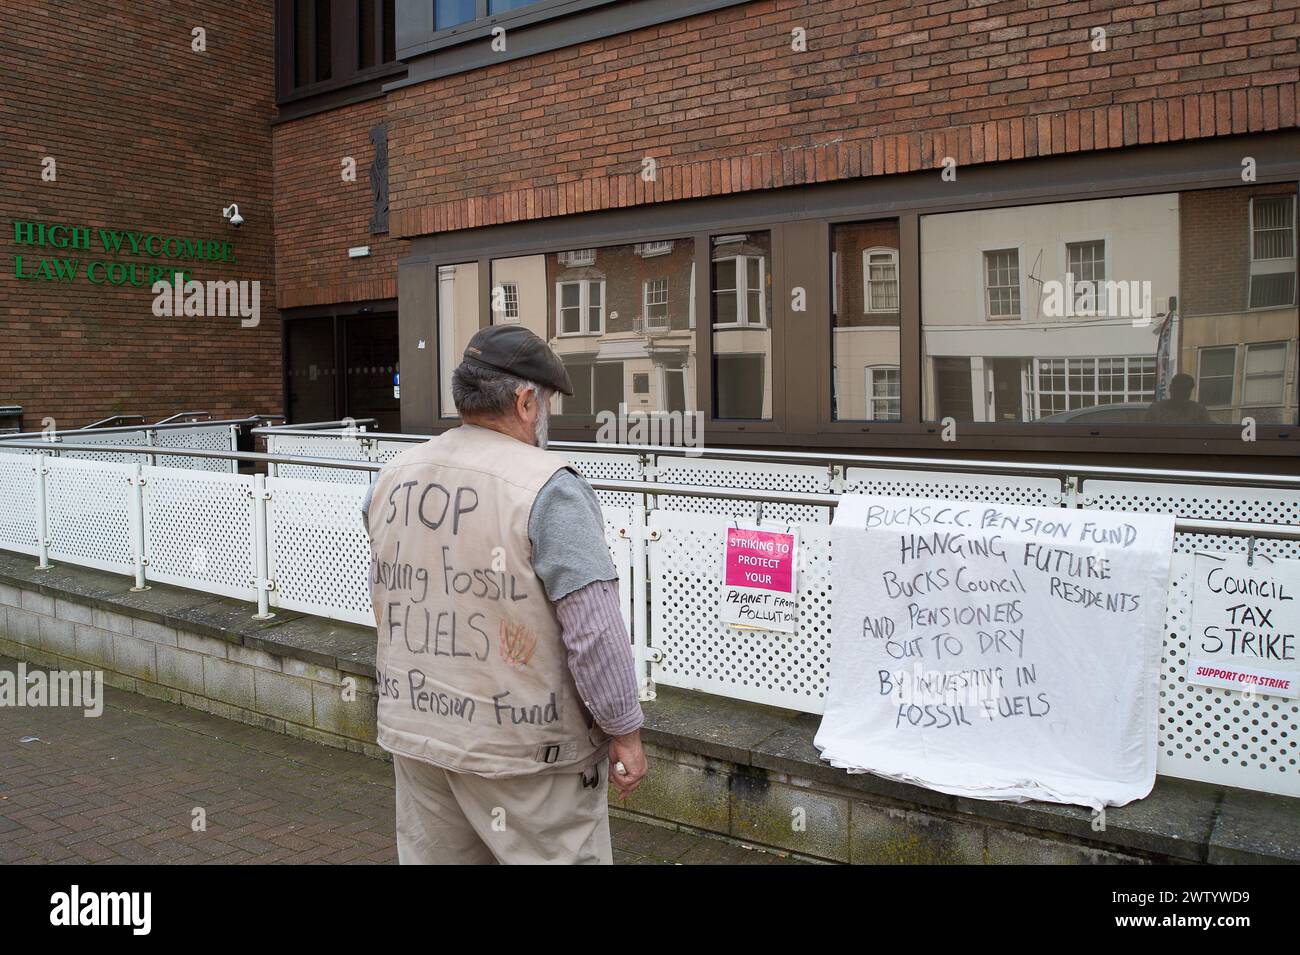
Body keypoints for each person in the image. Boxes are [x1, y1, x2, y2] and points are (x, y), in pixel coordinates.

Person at [364, 324, 647, 864]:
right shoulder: (549, 486)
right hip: (527, 755)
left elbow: (392, 592)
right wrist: (624, 731)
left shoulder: (394, 475)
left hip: (420, 733)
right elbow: (594, 630)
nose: (548, 421)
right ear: (524, 401)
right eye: (547, 406)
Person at [1143, 372, 1215, 424]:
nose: (1181, 393)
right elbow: (1146, 435)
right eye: (1179, 389)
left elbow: (1208, 434)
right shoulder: (1156, 410)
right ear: (1171, 388)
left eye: (1185, 389)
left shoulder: (1199, 411)